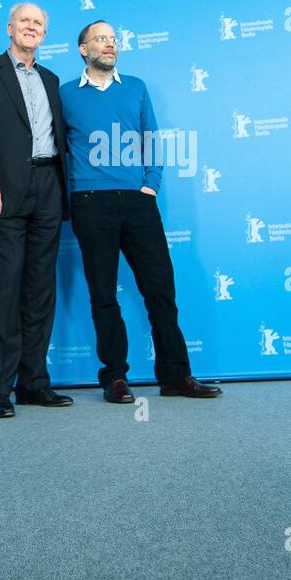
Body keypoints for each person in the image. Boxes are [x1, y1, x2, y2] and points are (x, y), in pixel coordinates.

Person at [61, 20, 222, 403]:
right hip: (90, 202)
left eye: (114, 39)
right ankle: (114, 378)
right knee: (103, 294)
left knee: (160, 290)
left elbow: (152, 138)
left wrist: (150, 185)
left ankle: (176, 376)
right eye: (101, 39)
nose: (110, 44)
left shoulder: (136, 88)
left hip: (137, 201)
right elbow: (55, 149)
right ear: (83, 49)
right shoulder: (64, 94)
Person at [0, 2, 74, 418]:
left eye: (39, 23)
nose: (31, 27)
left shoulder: (51, 79)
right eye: (24, 20)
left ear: (44, 34)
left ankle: (33, 384)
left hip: (48, 188)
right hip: (2, 191)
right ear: (9, 27)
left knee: (41, 290)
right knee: (5, 288)